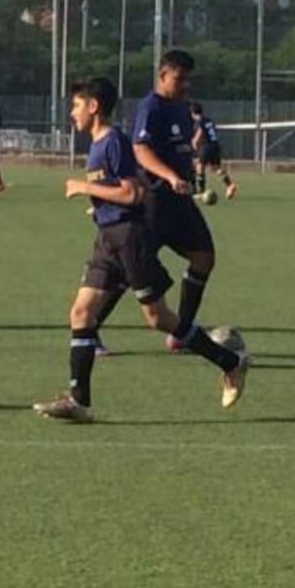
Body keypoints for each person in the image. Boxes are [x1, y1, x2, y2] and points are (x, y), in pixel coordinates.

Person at [33, 77, 248, 423]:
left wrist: (83, 187)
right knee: (80, 313)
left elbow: (134, 194)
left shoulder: (114, 141)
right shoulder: (98, 143)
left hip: (129, 239)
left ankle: (231, 363)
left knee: (159, 319)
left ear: (93, 106)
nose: (72, 113)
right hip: (107, 238)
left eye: (76, 105)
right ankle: (78, 400)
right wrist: (98, 202)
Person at [131, 49, 219, 352]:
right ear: (162, 76)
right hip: (154, 200)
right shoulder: (150, 107)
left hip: (180, 201)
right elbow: (141, 150)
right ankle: (90, 330)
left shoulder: (181, 107)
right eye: (178, 79)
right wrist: (169, 175)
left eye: (187, 79)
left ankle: (182, 331)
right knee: (129, 266)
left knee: (204, 258)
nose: (184, 85)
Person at [191, 102, 237, 200]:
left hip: (206, 146)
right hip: (215, 145)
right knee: (216, 168)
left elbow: (201, 131)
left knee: (200, 167)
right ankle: (229, 185)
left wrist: (195, 141)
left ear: (192, 113)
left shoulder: (199, 121)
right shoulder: (209, 120)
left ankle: (201, 192)